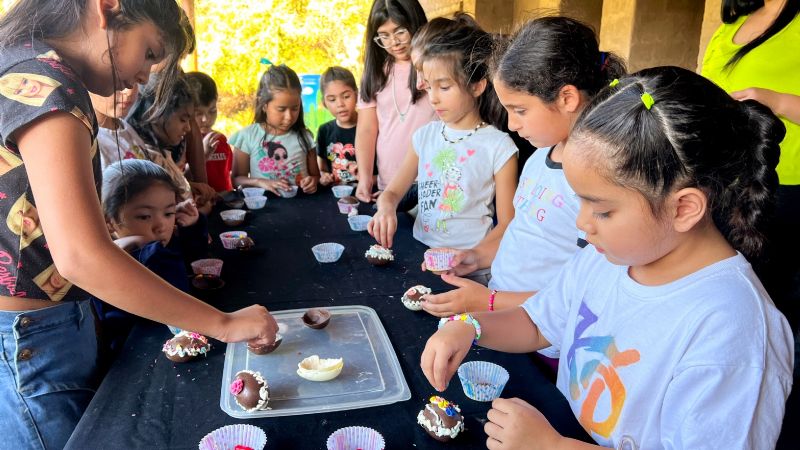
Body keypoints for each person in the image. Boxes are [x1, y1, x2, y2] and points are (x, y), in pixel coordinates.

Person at [422, 66, 794, 449]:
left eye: (602, 210)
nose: (583, 223)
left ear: (683, 208)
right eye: (580, 201)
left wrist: (553, 446)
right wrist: (470, 326)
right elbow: (538, 324)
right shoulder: (608, 257)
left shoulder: (735, 332)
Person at [0, 2, 277, 448]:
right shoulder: (47, 86)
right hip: (34, 340)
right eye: (149, 53)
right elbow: (81, 256)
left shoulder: (19, 63)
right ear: (109, 8)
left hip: (48, 328)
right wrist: (222, 324)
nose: (146, 77)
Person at [420, 18, 625, 322]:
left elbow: (584, 293)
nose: (512, 124)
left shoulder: (599, 184)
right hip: (505, 314)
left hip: (543, 339)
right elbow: (521, 233)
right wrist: (474, 258)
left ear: (567, 98)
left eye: (520, 110)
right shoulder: (539, 157)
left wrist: (489, 301)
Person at [368, 16, 518, 260]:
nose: (433, 98)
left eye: (444, 87)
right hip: (421, 254)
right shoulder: (424, 137)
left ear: (477, 86)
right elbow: (392, 193)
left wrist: (471, 257)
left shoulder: (499, 147)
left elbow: (507, 226)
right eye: (428, 87)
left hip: (470, 266)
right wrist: (386, 209)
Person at [702, 0, 800, 333]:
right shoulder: (730, 26)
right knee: (727, 299)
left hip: (786, 189)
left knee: (776, 309)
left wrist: (778, 101)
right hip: (723, 182)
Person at [94, 159, 207, 362]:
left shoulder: (158, 248)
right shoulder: (108, 265)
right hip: (136, 359)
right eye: (145, 217)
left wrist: (190, 227)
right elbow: (178, 295)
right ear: (109, 222)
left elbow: (193, 262)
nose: (161, 225)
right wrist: (151, 253)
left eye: (168, 212)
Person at [354, 0, 436, 206]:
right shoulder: (375, 73)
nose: (394, 42)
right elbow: (366, 129)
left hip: (432, 181)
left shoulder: (436, 65)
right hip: (389, 185)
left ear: (415, 24)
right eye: (384, 36)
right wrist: (364, 178)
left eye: (400, 32)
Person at [229, 64, 320, 195]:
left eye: (295, 108)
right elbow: (236, 180)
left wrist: (313, 181)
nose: (289, 117)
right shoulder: (247, 136)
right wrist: (260, 182)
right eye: (281, 109)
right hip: (265, 208)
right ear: (264, 105)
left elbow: (315, 175)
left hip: (301, 205)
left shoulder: (305, 137)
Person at [186, 71, 234, 192]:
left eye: (212, 111)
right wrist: (202, 156)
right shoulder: (181, 142)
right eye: (198, 113)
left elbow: (228, 175)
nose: (206, 119)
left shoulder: (220, 139)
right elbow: (179, 180)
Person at [316, 66, 359, 186]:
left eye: (346, 97)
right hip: (335, 195)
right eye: (332, 99)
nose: (340, 104)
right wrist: (323, 177)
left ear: (357, 95)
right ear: (324, 103)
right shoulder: (324, 131)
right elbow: (322, 170)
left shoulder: (370, 128)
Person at [89, 85, 148, 168]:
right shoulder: (88, 142)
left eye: (135, 81)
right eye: (117, 82)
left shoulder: (125, 127)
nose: (129, 92)